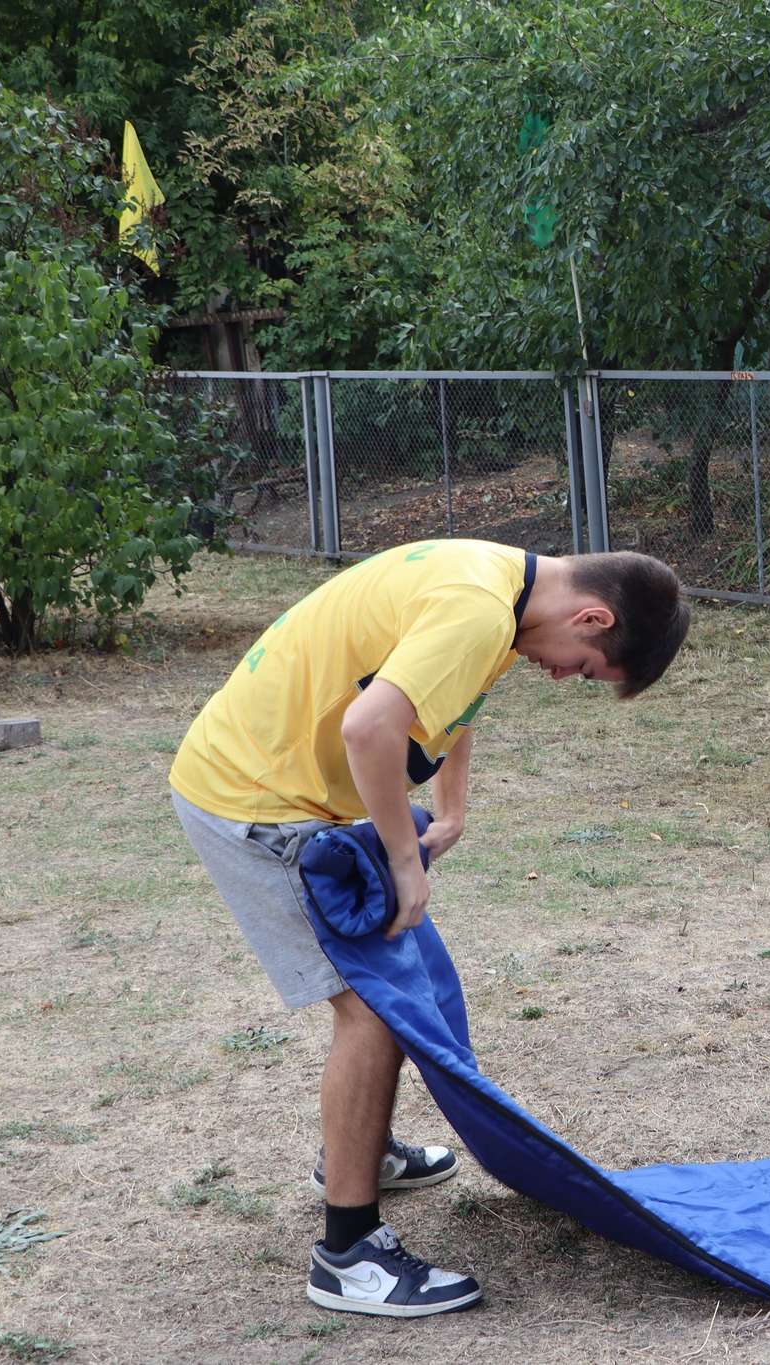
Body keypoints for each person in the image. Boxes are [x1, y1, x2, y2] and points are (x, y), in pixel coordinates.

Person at [169, 540, 689, 1315]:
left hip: (279, 779)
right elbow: (370, 726)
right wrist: (403, 858)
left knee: (392, 990)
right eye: (584, 666)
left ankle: (362, 1152)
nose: (560, 675)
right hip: (257, 799)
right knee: (373, 1009)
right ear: (592, 616)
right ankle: (346, 1255)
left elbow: (441, 700)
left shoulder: (503, 588)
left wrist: (452, 808)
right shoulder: (479, 609)